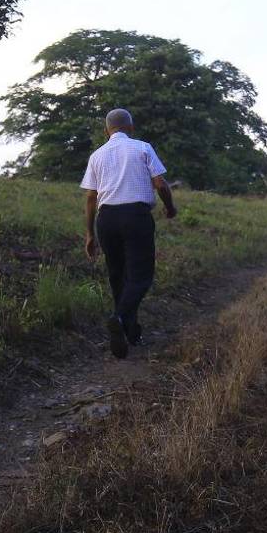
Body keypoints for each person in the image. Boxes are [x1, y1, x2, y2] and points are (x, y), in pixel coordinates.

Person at [81, 108, 177, 358]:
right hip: (136, 217)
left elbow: (91, 197)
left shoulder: (97, 155)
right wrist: (170, 207)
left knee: (117, 276)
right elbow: (160, 183)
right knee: (141, 276)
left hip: (107, 219)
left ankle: (129, 332)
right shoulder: (142, 147)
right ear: (130, 128)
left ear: (107, 130)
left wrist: (90, 234)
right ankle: (120, 318)